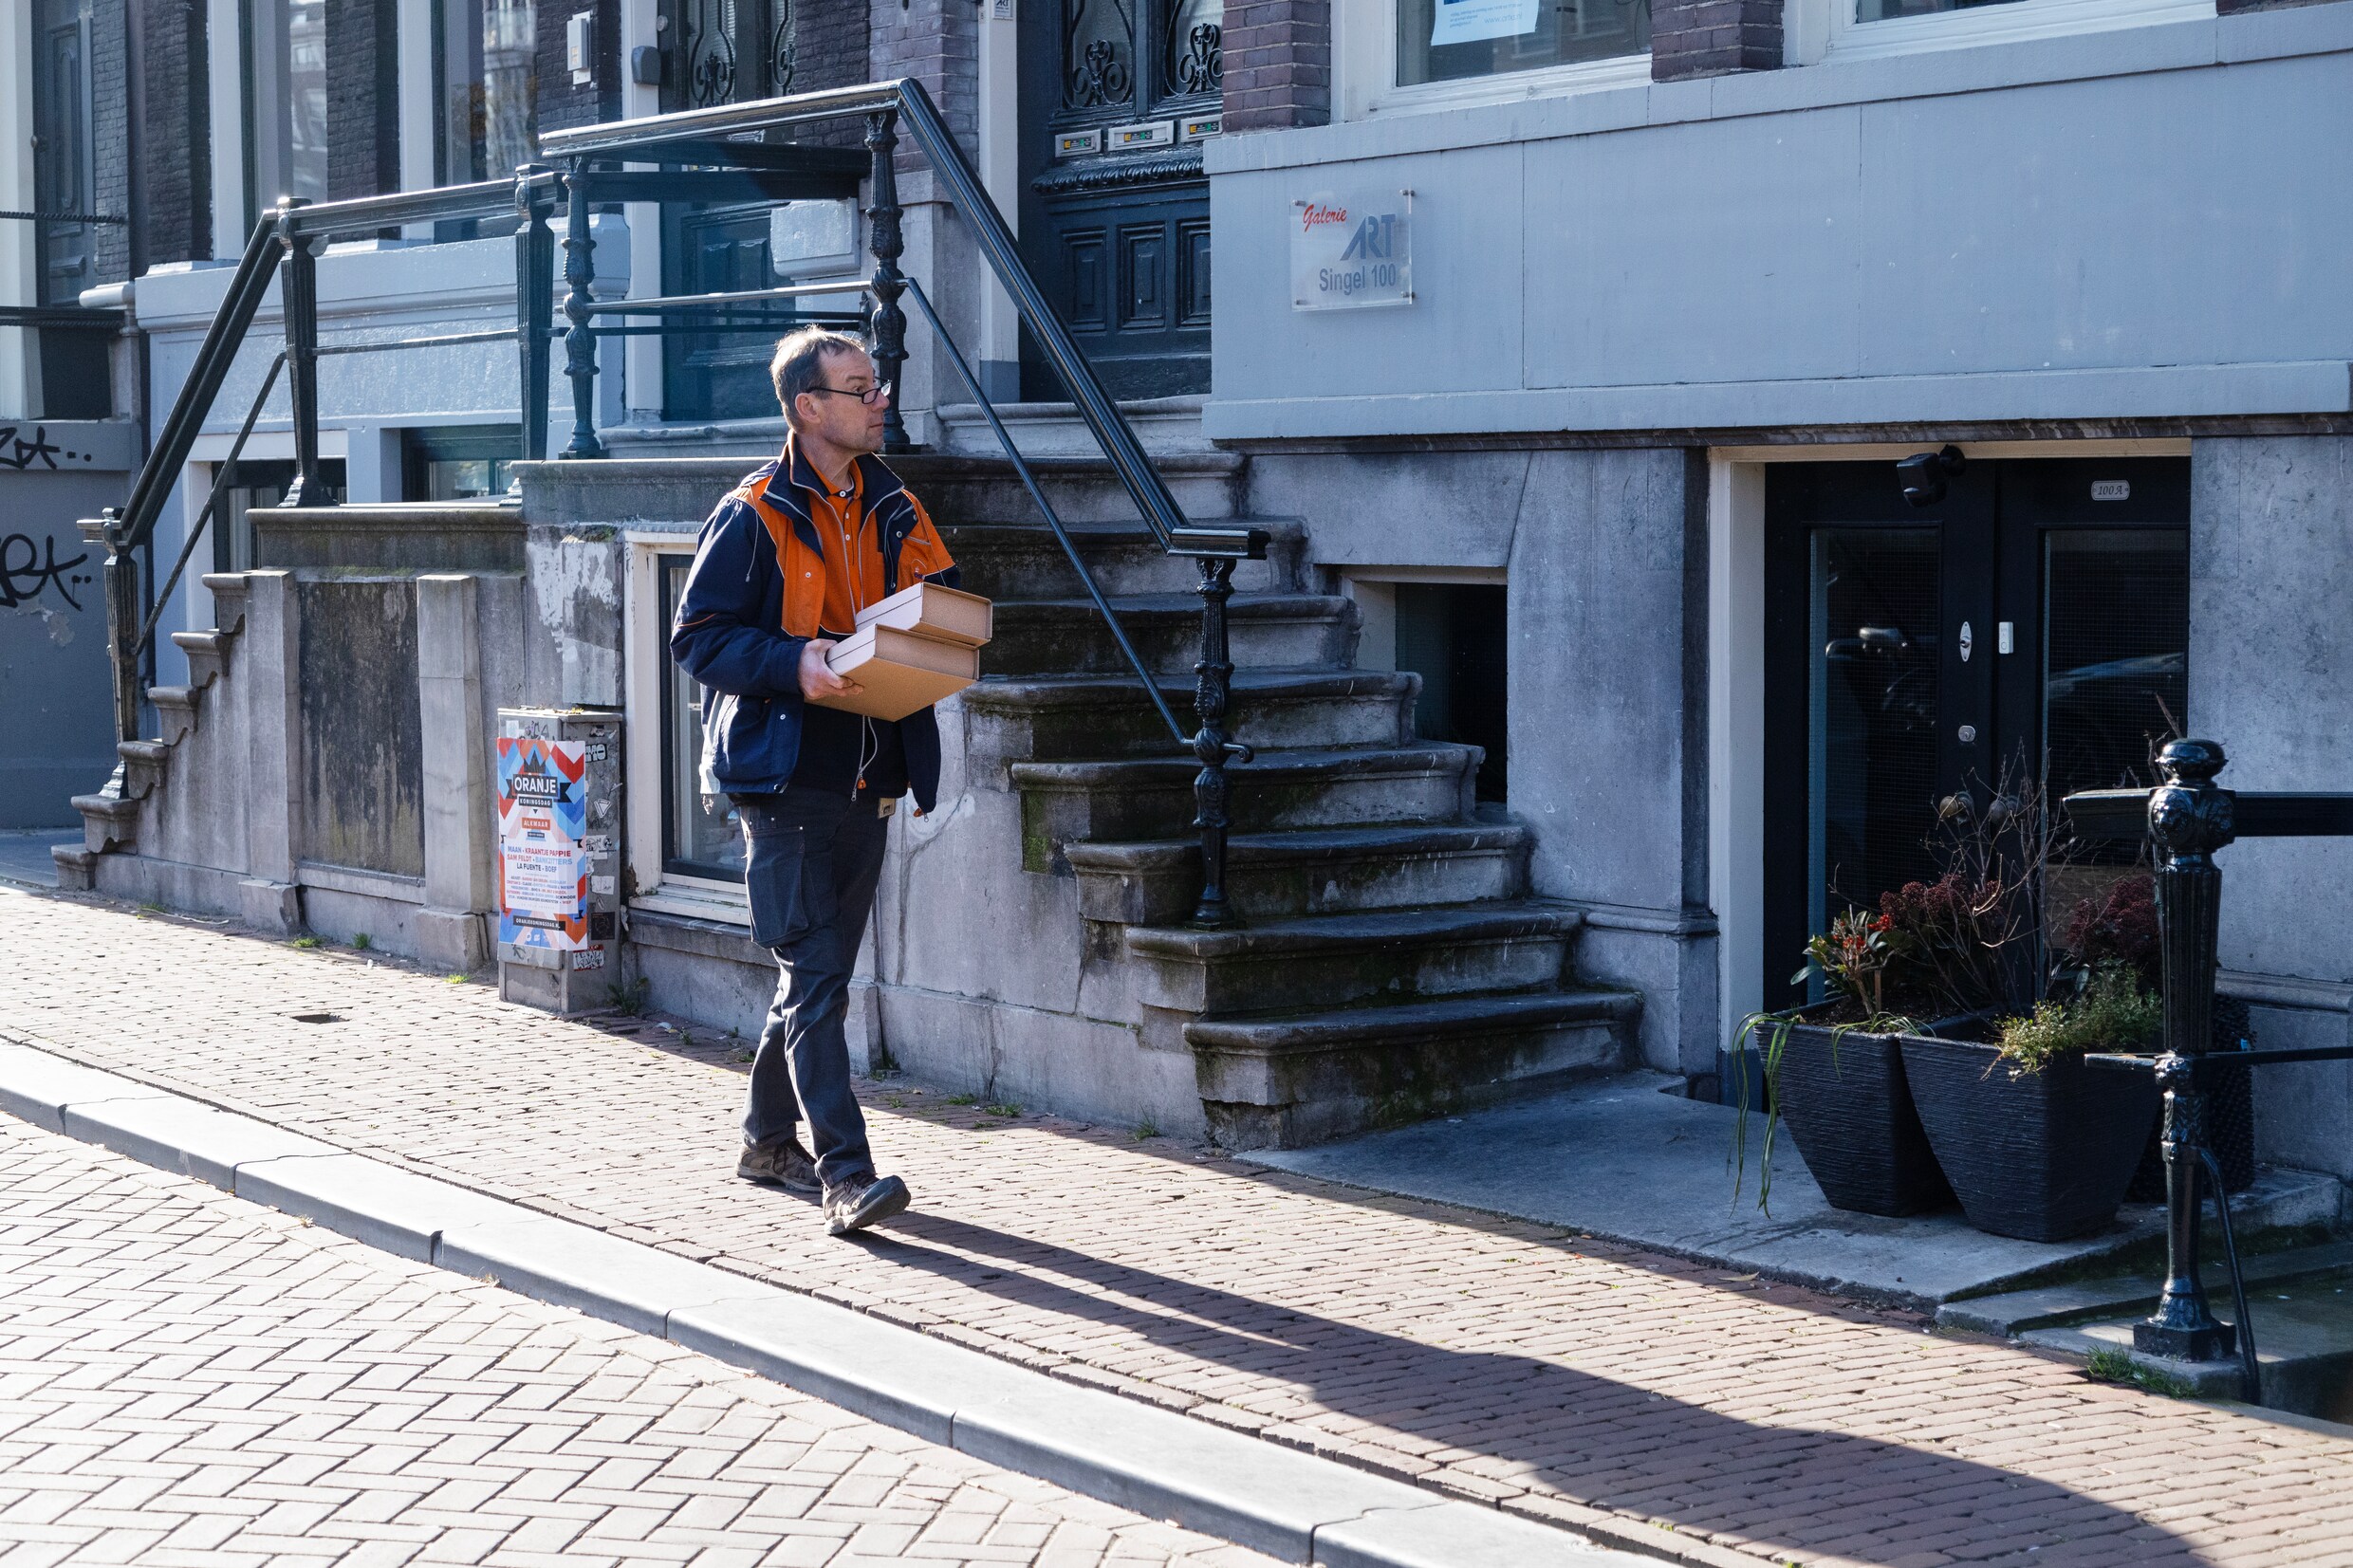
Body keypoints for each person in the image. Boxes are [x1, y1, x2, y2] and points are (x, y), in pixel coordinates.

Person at [669, 327, 957, 1237]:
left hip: (868, 780)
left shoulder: (896, 504)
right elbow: (697, 638)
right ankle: (845, 1172)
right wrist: (798, 663)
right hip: (784, 783)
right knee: (820, 978)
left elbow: (933, 617)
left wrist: (938, 660)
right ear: (808, 407)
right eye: (859, 388)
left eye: (877, 385)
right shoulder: (753, 511)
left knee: (810, 979)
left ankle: (764, 1139)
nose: (880, 401)